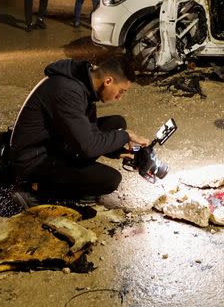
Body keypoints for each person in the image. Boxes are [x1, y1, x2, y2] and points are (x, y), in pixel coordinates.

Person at [9, 55, 151, 207]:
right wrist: (126, 135)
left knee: (117, 123)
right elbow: (88, 146)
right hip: (32, 160)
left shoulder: (84, 82)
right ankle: (35, 192)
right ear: (108, 81)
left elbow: (90, 132)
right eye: (121, 91)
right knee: (110, 180)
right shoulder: (67, 91)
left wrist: (119, 152)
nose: (119, 97)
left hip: (54, 143)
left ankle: (53, 185)